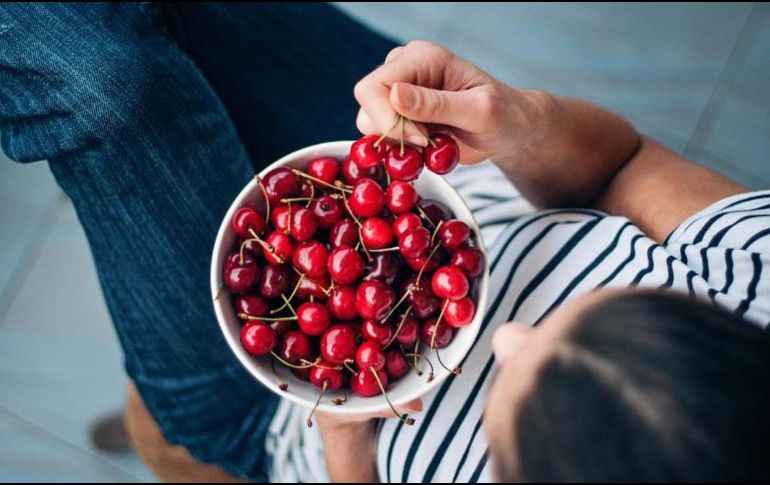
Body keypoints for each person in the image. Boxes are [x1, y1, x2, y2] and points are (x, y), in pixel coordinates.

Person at [2, 3, 769, 483]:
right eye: (603, 310)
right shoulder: (759, 276)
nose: (501, 334)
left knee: (97, 80)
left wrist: (344, 432)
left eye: (508, 392)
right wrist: (518, 122)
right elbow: (628, 166)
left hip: (273, 410)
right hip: (412, 190)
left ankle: (161, 429)